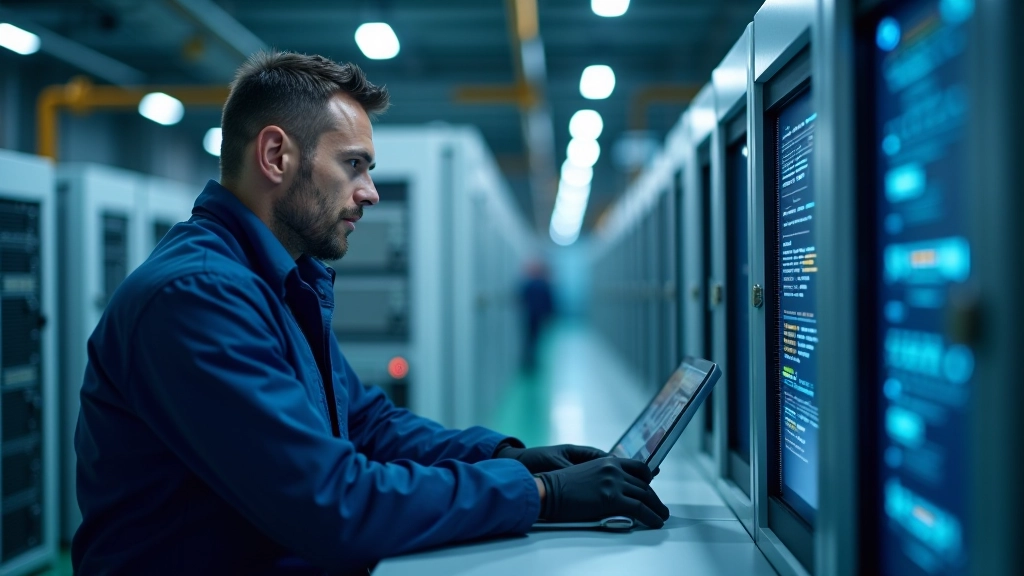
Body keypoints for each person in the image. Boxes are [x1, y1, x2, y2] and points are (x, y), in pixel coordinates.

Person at [72, 51, 670, 575]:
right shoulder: (198, 298)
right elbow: (331, 504)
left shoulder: (278, 280)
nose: (370, 192)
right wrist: (540, 494)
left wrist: (505, 457)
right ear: (276, 155)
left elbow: (366, 424)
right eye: (353, 165)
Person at [519, 259, 555, 373]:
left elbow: (548, 301)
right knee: (532, 338)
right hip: (533, 316)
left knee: (533, 338)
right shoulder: (540, 284)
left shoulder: (535, 285)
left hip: (534, 316)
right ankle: (529, 360)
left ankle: (530, 360)